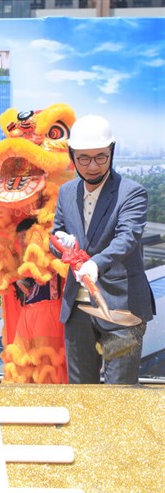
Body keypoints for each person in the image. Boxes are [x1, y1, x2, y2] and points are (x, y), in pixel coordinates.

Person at [52, 115, 155, 384]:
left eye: (101, 157)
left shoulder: (131, 192)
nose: (93, 166)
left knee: (118, 392)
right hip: (78, 309)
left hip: (121, 307)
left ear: (112, 151)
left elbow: (127, 237)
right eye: (84, 158)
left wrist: (95, 263)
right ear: (71, 156)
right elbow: (56, 234)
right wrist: (60, 244)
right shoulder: (66, 192)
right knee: (82, 391)